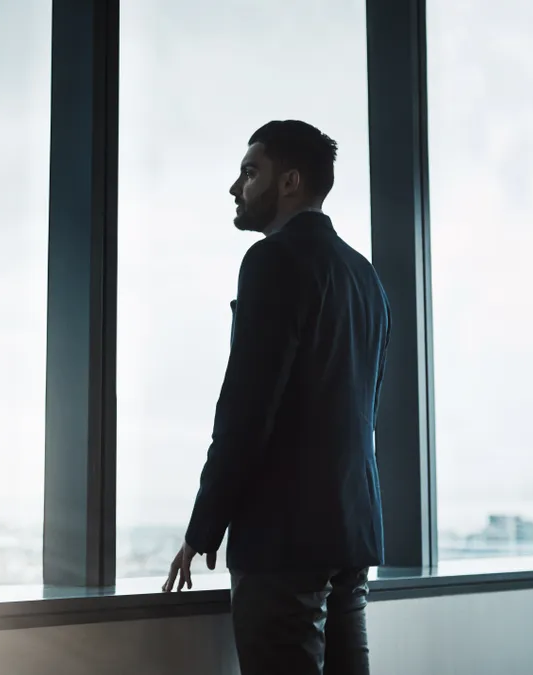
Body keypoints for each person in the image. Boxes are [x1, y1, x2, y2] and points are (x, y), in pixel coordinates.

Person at [162, 120, 390, 675]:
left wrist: (203, 527)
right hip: (350, 531)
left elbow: (246, 409)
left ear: (289, 182)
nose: (236, 188)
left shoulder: (271, 262)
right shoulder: (365, 277)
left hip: (285, 539)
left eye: (249, 172)